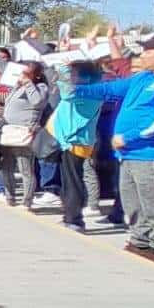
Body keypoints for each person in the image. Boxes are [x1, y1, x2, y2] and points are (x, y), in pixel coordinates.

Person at [71, 32, 154, 267]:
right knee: (132, 202)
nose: (142, 55)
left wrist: (129, 136)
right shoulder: (143, 78)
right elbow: (111, 90)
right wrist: (77, 90)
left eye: (147, 51)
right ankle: (140, 241)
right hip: (128, 155)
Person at [50, 60, 105, 230]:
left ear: (86, 77)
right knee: (67, 180)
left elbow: (67, 93)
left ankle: (74, 219)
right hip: (68, 140)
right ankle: (69, 215)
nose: (71, 78)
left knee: (74, 180)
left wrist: (63, 69)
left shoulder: (90, 92)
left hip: (77, 141)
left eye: (75, 74)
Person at [0, 61, 51, 209]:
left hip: (24, 131)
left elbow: (37, 102)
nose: (23, 75)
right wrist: (18, 84)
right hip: (9, 130)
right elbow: (8, 102)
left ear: (36, 75)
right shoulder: (17, 87)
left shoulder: (41, 87)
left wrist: (28, 84)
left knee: (25, 169)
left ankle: (27, 201)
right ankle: (10, 197)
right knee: (7, 167)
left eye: (27, 73)